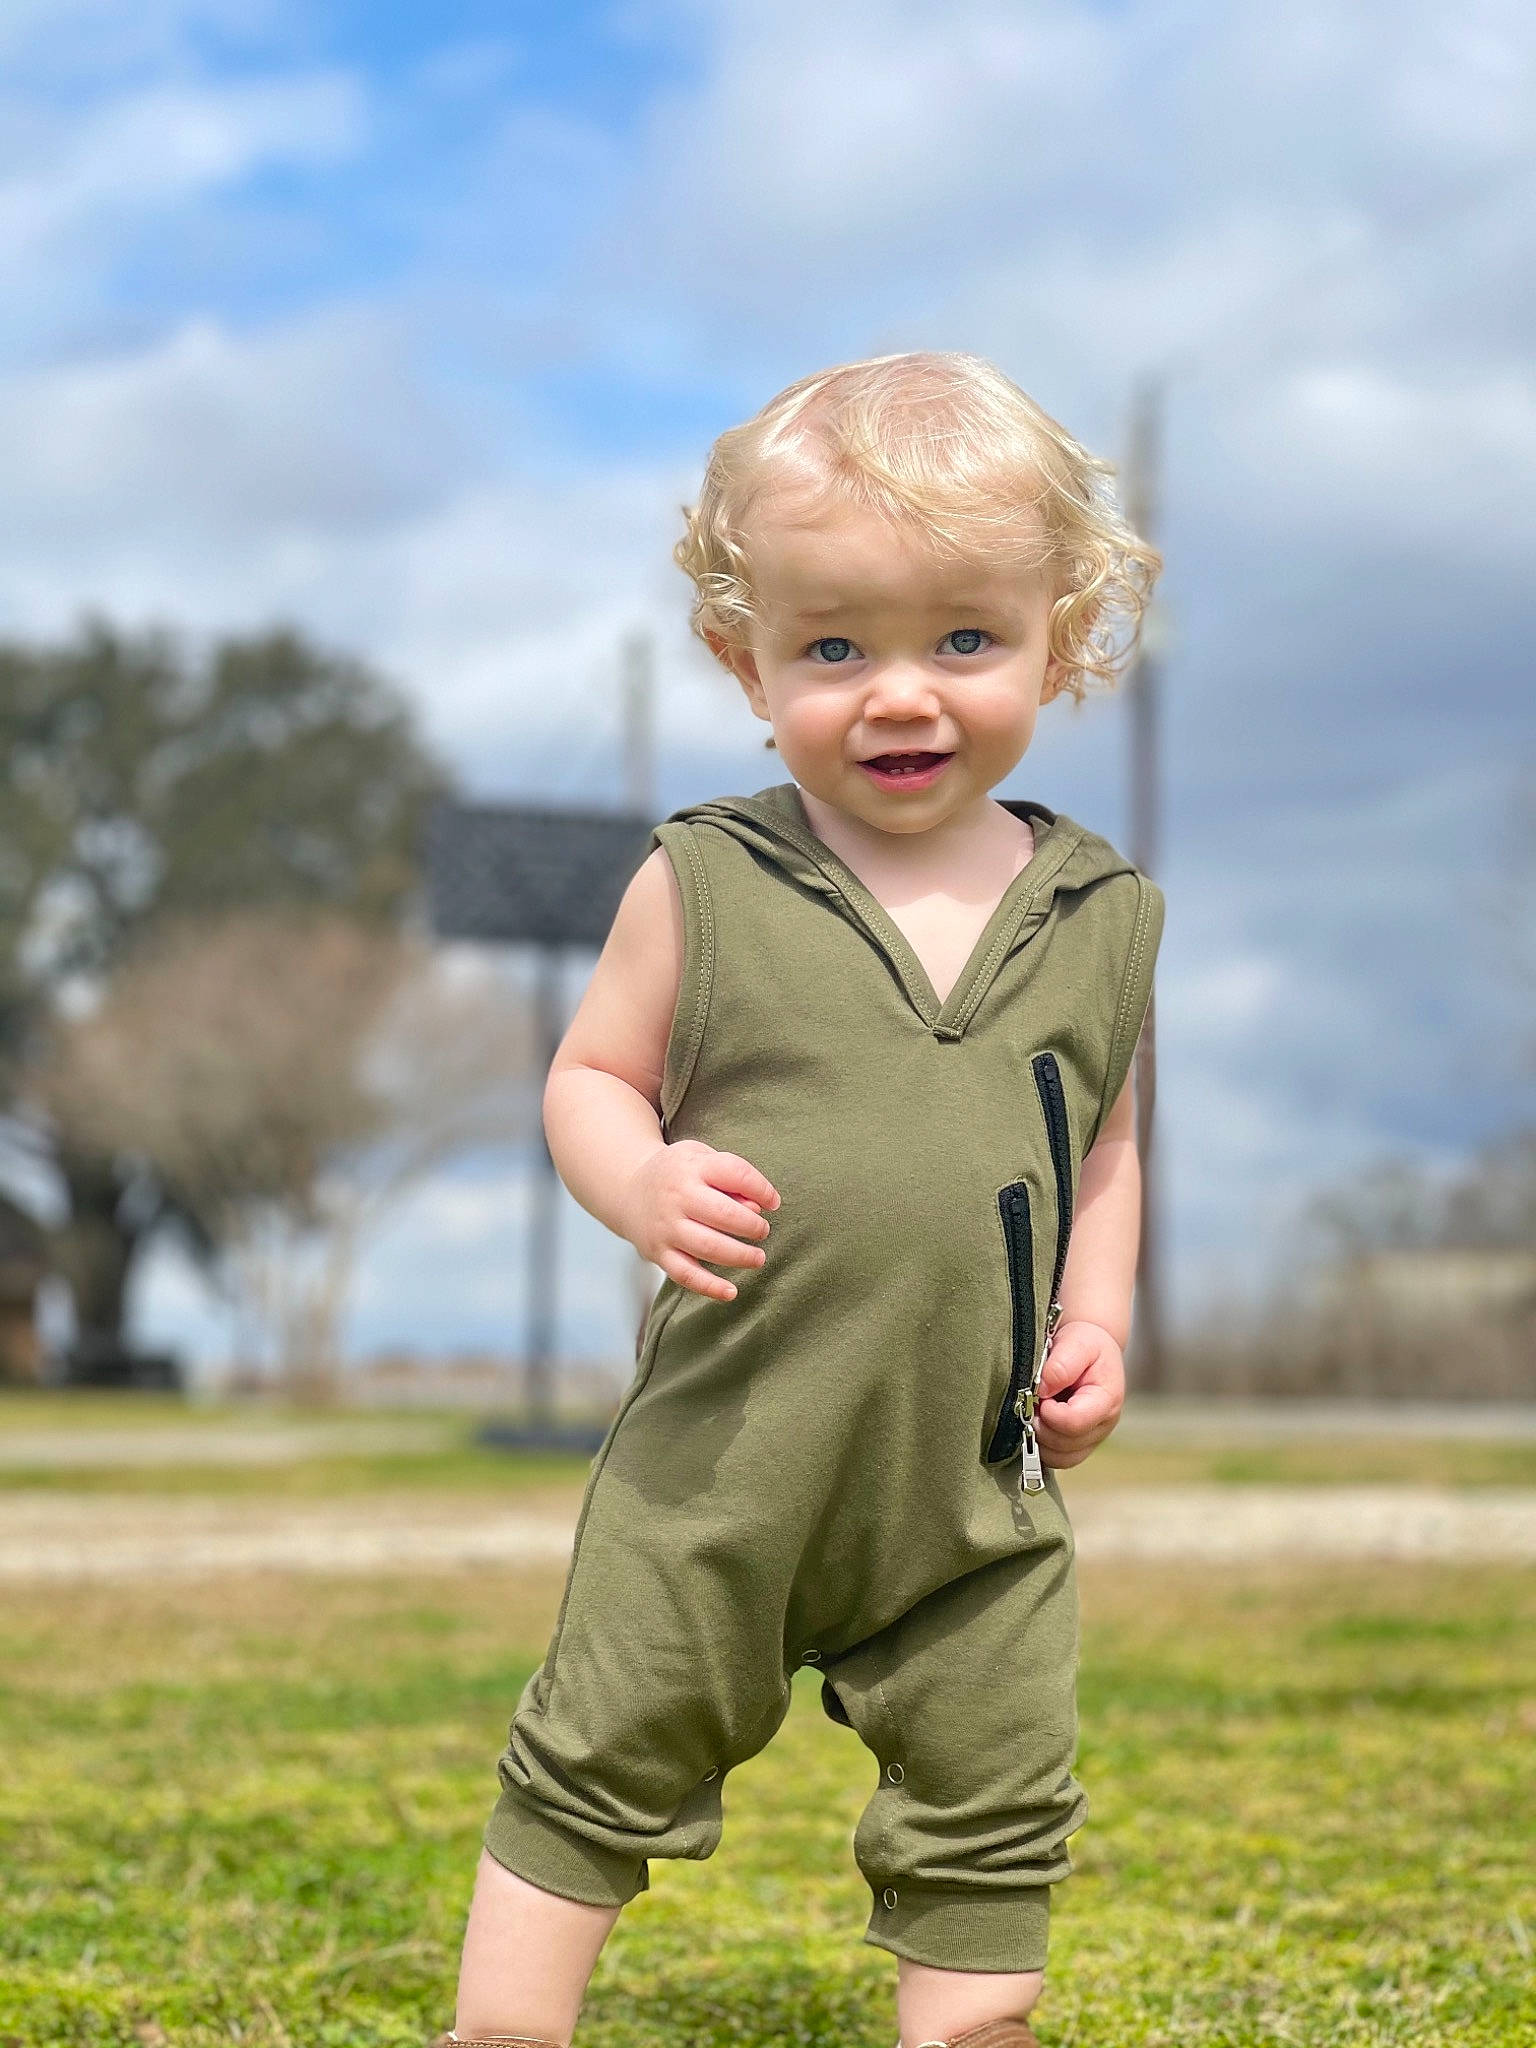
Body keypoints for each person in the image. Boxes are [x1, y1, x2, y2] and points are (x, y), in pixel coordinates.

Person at [432, 351, 1165, 2048]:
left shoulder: (1101, 914)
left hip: (972, 1481)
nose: (900, 696)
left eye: (964, 640)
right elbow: (588, 1076)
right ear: (744, 661)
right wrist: (642, 1175)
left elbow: (1106, 1145)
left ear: (1061, 639)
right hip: (725, 1460)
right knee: (605, 1742)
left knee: (997, 1786)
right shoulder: (708, 880)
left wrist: (1102, 1321)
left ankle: (969, 2027)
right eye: (835, 648)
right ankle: (505, 2029)